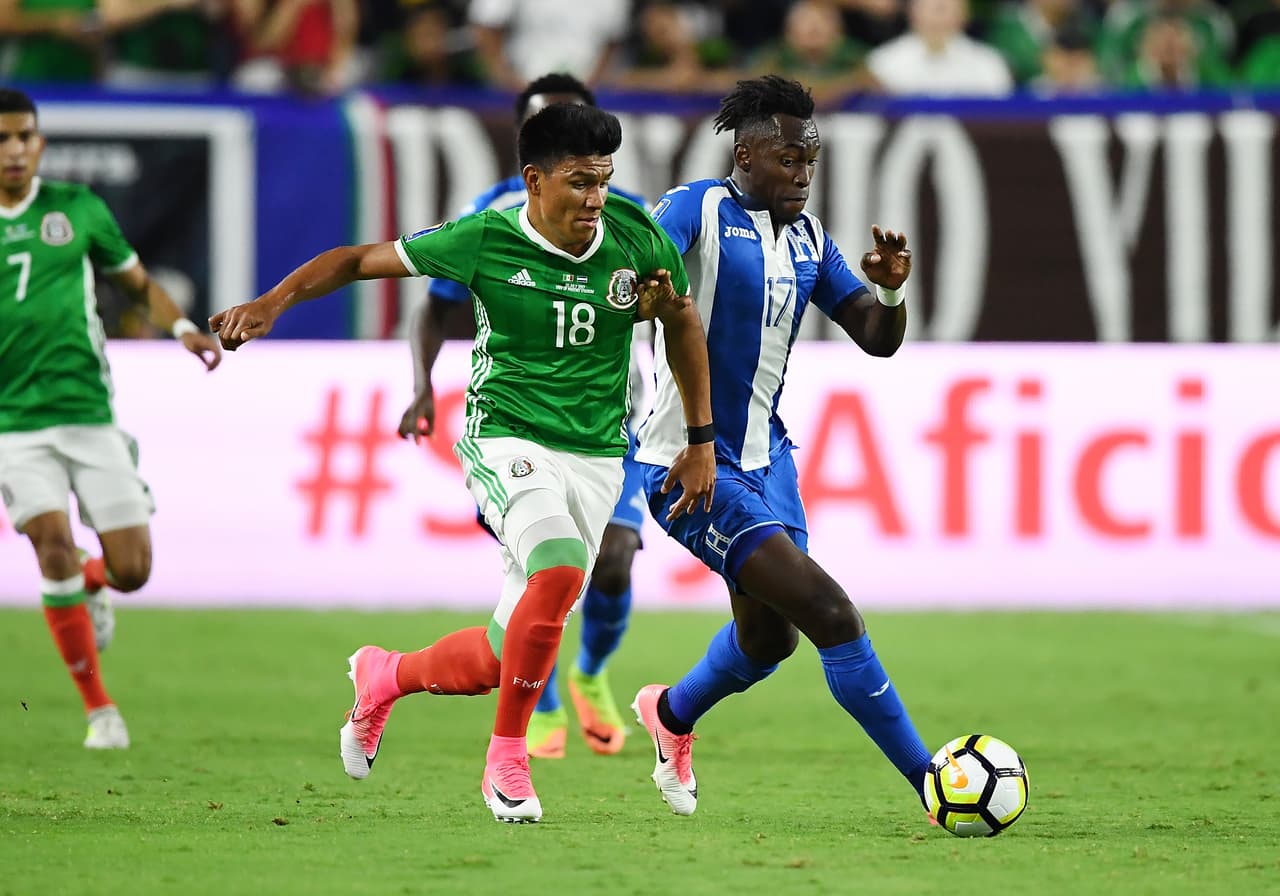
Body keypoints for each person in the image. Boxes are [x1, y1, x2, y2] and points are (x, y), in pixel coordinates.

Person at [209, 102, 716, 824]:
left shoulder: (637, 236)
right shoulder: (483, 238)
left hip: (599, 455)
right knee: (563, 566)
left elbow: (683, 324)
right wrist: (272, 303)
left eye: (603, 180)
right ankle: (507, 761)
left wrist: (700, 439)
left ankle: (385, 677)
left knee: (499, 657)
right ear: (534, 181)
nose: (595, 199)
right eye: (578, 182)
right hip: (504, 437)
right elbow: (357, 261)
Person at [631, 75, 933, 819]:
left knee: (770, 641)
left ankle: (669, 715)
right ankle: (936, 784)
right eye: (789, 158)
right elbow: (641, 277)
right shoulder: (696, 207)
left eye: (811, 160)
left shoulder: (808, 237)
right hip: (687, 463)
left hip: (768, 460)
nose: (802, 172)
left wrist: (890, 293)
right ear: (745, 152)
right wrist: (638, 287)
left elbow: (875, 337)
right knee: (831, 612)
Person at [399, 72, 649, 761]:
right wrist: (422, 385)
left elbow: (673, 308)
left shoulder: (622, 211)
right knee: (545, 570)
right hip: (520, 421)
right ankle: (535, 706)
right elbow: (438, 304)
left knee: (617, 561)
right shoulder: (491, 215)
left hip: (614, 421)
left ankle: (590, 674)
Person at [0, 88, 222, 749]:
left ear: (40, 144)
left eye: (24, 137)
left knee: (133, 569)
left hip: (87, 413)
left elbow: (136, 282)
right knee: (51, 543)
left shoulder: (78, 210)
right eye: (2, 138)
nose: (14, 150)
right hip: (12, 424)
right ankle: (101, 710)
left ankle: (93, 583)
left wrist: (181, 325)